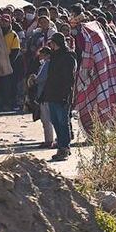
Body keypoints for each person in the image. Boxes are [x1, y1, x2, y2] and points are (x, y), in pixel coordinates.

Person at [41, 33, 76, 162]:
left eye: (52, 43)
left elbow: (69, 79)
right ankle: (61, 145)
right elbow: (50, 77)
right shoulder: (54, 57)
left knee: (63, 122)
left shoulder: (68, 57)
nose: (51, 45)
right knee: (55, 121)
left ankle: (64, 148)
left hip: (62, 95)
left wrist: (66, 95)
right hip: (52, 94)